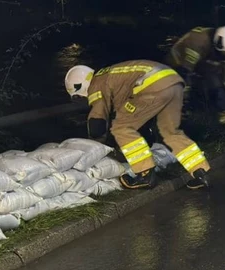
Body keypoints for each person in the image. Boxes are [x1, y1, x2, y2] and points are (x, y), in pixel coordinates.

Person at [64, 60, 211, 190]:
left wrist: (94, 145)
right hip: (173, 81)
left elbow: (97, 120)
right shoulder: (111, 77)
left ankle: (145, 174)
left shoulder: (96, 84)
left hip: (151, 85)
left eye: (79, 97)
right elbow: (136, 113)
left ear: (80, 87)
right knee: (171, 132)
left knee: (121, 128)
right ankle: (199, 171)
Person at [168, 26, 225, 138]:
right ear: (218, 45)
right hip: (177, 65)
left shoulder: (223, 47)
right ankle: (175, 130)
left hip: (201, 63)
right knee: (179, 97)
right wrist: (184, 98)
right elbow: (185, 73)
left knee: (218, 90)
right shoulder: (197, 42)